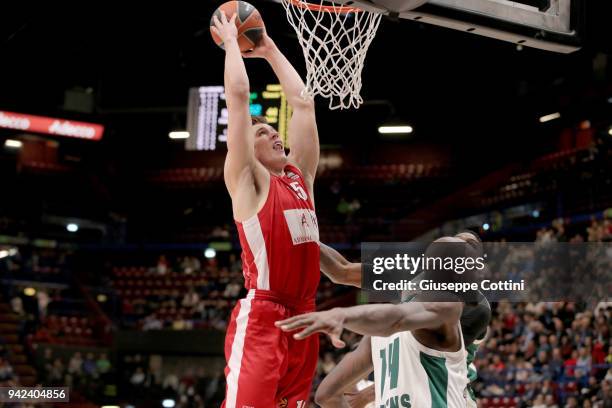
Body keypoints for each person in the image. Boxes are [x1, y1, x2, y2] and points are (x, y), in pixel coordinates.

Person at [212, 10, 321, 408]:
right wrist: (230, 44)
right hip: (264, 318)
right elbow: (239, 99)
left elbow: (303, 105)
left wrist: (271, 50)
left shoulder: (299, 178)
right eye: (263, 133)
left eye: (275, 131)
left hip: (305, 317)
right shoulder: (248, 180)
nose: (275, 134)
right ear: (248, 147)